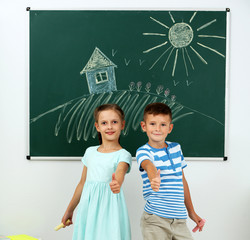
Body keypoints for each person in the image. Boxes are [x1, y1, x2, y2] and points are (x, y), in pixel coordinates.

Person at [61, 104, 132, 240]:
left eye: (114, 122)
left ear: (122, 125)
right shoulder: (90, 152)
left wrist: (117, 182)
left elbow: (120, 172)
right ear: (98, 127)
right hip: (88, 210)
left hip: (109, 211)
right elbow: (82, 183)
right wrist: (69, 210)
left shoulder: (123, 155)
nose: (110, 127)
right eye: (104, 123)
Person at [136, 102, 203, 240]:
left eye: (163, 124)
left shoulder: (176, 148)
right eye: (152, 124)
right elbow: (148, 165)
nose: (157, 129)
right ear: (144, 126)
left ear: (170, 128)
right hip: (155, 220)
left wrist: (192, 212)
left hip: (179, 220)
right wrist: (153, 178)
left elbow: (182, 181)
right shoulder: (143, 151)